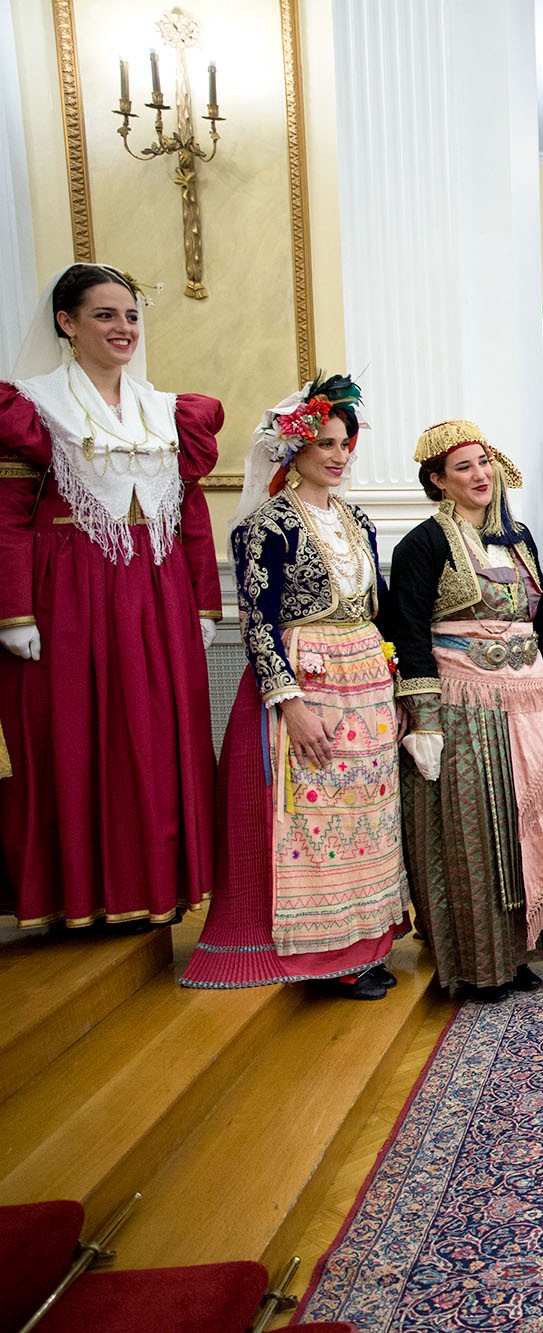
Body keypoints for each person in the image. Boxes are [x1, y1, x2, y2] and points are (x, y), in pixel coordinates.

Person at [0, 263, 223, 930]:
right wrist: (13, 611)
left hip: (153, 596)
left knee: (151, 738)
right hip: (68, 595)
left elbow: (188, 512)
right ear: (67, 324)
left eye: (130, 316)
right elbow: (7, 515)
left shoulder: (166, 411)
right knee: (75, 736)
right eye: (105, 315)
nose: (123, 328)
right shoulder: (32, 406)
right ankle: (78, 895)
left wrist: (203, 600)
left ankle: (150, 889)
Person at [182, 376, 406, 996]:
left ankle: (364, 947)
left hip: (365, 683)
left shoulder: (358, 518)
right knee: (314, 814)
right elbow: (258, 620)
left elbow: (375, 606)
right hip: (307, 680)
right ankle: (317, 953)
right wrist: (290, 705)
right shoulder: (267, 525)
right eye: (323, 444)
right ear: (292, 451)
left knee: (369, 813)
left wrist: (393, 679)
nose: (338, 455)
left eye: (344, 443)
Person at [391, 420, 543, 1001]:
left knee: (527, 823)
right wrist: (424, 720)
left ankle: (521, 954)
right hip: (464, 706)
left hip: (527, 703)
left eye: (483, 462)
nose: (479, 475)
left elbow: (542, 625)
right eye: (463, 467)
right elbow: (410, 632)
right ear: (438, 481)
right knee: (476, 831)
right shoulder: (422, 543)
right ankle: (478, 963)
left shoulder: (518, 537)